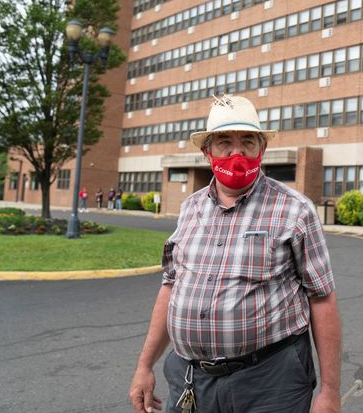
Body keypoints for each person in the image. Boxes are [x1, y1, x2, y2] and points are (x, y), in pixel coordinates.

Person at [129, 94, 342, 413]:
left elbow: (322, 299)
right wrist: (144, 365)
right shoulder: (190, 209)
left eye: (248, 141)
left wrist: (329, 392)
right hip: (191, 380)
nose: (237, 152)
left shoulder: (295, 211)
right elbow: (171, 286)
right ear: (207, 152)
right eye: (224, 142)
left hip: (269, 383)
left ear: (262, 148)